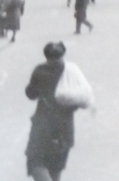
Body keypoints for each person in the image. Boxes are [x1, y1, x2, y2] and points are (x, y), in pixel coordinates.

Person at [25, 42, 84, 181]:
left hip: (43, 129)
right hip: (65, 129)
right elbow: (79, 100)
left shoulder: (40, 71)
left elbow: (30, 94)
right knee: (55, 170)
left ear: (46, 55)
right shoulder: (71, 72)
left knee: (36, 164)